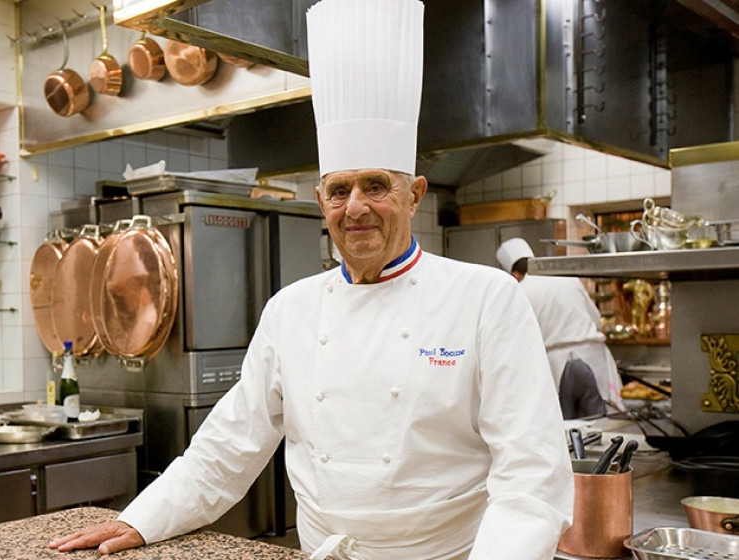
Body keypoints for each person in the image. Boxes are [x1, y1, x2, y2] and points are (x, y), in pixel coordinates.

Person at [49, 1, 573, 558]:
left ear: (414, 195)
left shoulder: (486, 298)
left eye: (376, 186)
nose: (356, 207)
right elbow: (230, 442)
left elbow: (530, 475)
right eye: (339, 190)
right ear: (322, 202)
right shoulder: (290, 310)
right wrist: (142, 519)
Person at [496, 237, 625, 415]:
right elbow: (596, 319)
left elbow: (518, 342)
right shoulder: (567, 278)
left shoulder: (521, 291)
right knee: (605, 424)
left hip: (556, 366)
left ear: (514, 275)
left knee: (567, 428)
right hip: (591, 357)